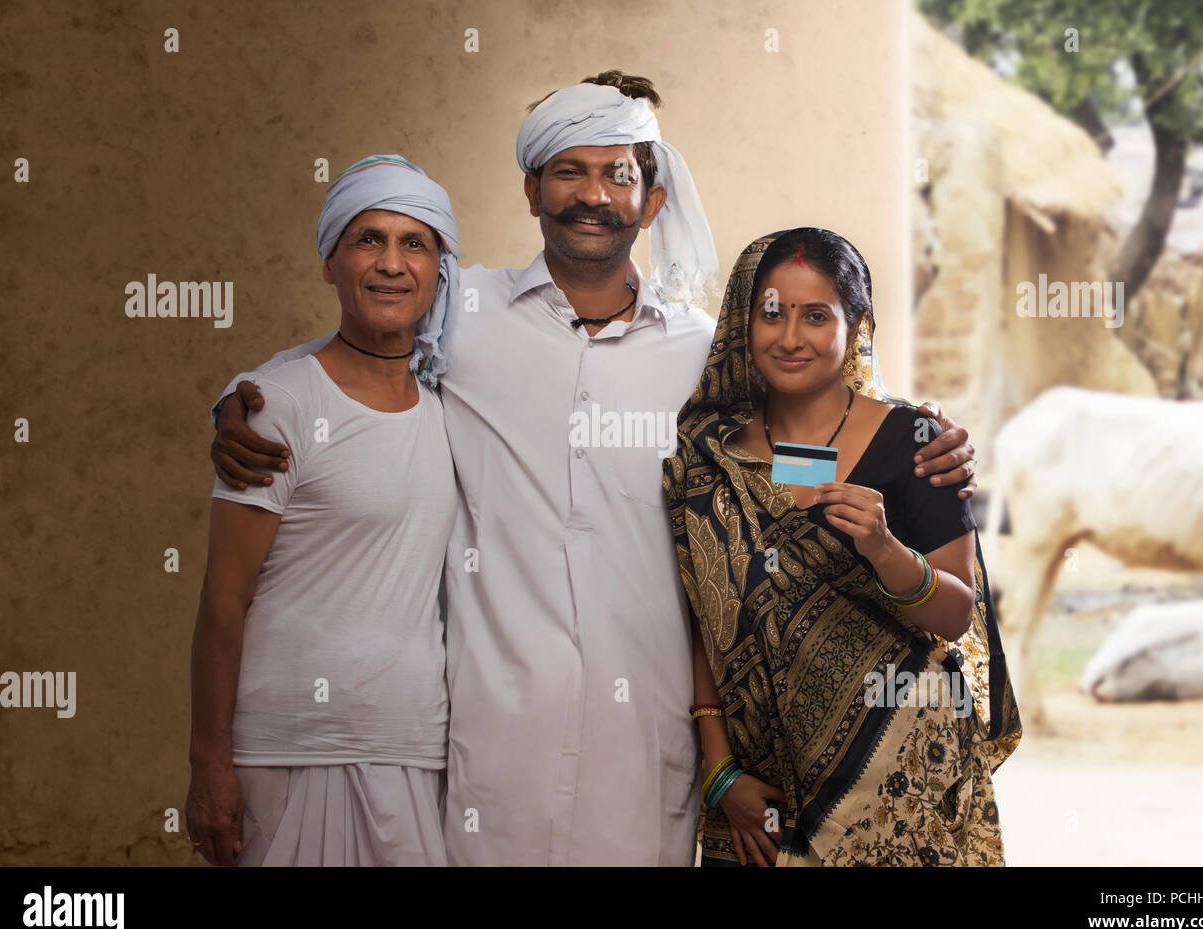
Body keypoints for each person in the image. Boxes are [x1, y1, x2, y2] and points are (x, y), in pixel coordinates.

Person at [207, 72, 982, 866]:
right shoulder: (465, 315)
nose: (593, 194)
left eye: (618, 174)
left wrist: (922, 443)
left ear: (651, 202)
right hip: (490, 736)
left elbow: (813, 411)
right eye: (569, 171)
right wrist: (242, 403)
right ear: (531, 189)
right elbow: (366, 337)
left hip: (646, 736)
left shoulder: (700, 353)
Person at [663, 228, 1023, 867]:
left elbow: (955, 612)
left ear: (856, 326)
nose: (791, 337)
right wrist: (720, 772)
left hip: (899, 789)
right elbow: (702, 625)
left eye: (816, 316)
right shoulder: (710, 459)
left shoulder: (915, 439)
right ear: (744, 324)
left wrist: (886, 551)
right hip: (759, 803)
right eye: (772, 313)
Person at [185, 155, 460, 866]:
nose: (392, 264)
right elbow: (224, 597)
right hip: (288, 749)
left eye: (415, 243)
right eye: (368, 239)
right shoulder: (276, 407)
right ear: (331, 262)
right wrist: (209, 765)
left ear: (440, 270)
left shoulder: (449, 408)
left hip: (411, 748)